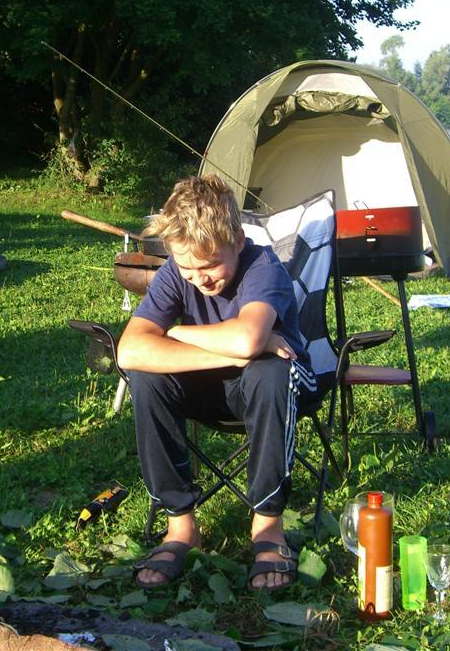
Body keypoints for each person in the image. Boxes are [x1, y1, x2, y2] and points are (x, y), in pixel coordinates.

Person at [117, 175, 316, 592]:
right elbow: (130, 351)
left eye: (210, 266)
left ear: (238, 241)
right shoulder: (178, 272)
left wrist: (177, 333)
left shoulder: (263, 268)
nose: (200, 280)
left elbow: (247, 340)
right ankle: (181, 526)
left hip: (269, 390)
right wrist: (231, 349)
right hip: (210, 388)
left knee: (269, 370)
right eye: (187, 269)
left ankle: (268, 525)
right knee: (147, 377)